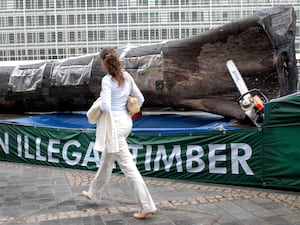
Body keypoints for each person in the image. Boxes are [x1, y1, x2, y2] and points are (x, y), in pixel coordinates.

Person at [82, 47, 157, 219]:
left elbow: (106, 107)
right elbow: (141, 99)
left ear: (103, 62)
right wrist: (126, 110)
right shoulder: (126, 76)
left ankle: (147, 205)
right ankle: (94, 193)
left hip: (113, 127)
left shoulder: (107, 81)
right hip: (125, 122)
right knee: (106, 161)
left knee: (129, 168)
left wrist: (98, 103)